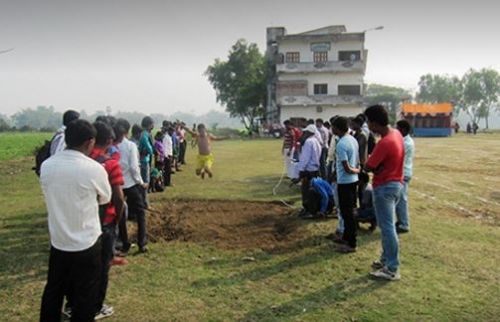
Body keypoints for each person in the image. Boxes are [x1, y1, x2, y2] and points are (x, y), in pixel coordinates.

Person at [40, 120, 111, 322]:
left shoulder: (47, 166)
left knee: (54, 289)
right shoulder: (93, 169)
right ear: (90, 142)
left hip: (59, 240)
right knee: (85, 294)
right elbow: (105, 198)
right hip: (86, 242)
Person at [364, 104, 404, 281]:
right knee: (387, 226)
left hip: (385, 187)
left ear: (374, 122)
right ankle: (386, 259)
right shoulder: (396, 134)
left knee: (387, 228)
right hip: (396, 184)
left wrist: (371, 163)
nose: (368, 126)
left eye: (368, 122)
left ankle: (392, 268)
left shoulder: (384, 143)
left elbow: (368, 166)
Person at [116, 119, 147, 256]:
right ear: (127, 131)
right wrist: (141, 182)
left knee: (120, 214)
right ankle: (142, 243)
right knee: (140, 213)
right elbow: (134, 167)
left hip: (117, 185)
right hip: (130, 184)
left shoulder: (111, 146)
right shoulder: (130, 146)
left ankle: (124, 242)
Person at [331, 116, 360, 253]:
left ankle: (351, 243)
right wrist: (357, 170)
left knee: (347, 213)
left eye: (333, 127)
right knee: (350, 211)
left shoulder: (342, 144)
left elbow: (347, 167)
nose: (331, 129)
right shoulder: (352, 140)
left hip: (345, 182)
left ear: (337, 128)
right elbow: (357, 160)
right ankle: (347, 237)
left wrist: (356, 170)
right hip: (353, 181)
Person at [295, 124, 321, 218]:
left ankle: (309, 210)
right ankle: (311, 209)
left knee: (306, 191)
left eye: (305, 132)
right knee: (313, 191)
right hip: (315, 169)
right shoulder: (316, 141)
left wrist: (300, 172)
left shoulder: (309, 142)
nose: (303, 134)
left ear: (309, 132)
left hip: (308, 170)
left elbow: (305, 158)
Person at [395, 120, 415, 234]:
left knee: (402, 200)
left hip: (403, 173)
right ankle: (401, 221)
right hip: (402, 172)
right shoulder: (404, 141)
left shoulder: (406, 143)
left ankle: (404, 224)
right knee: (399, 200)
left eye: (397, 128)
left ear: (403, 130)